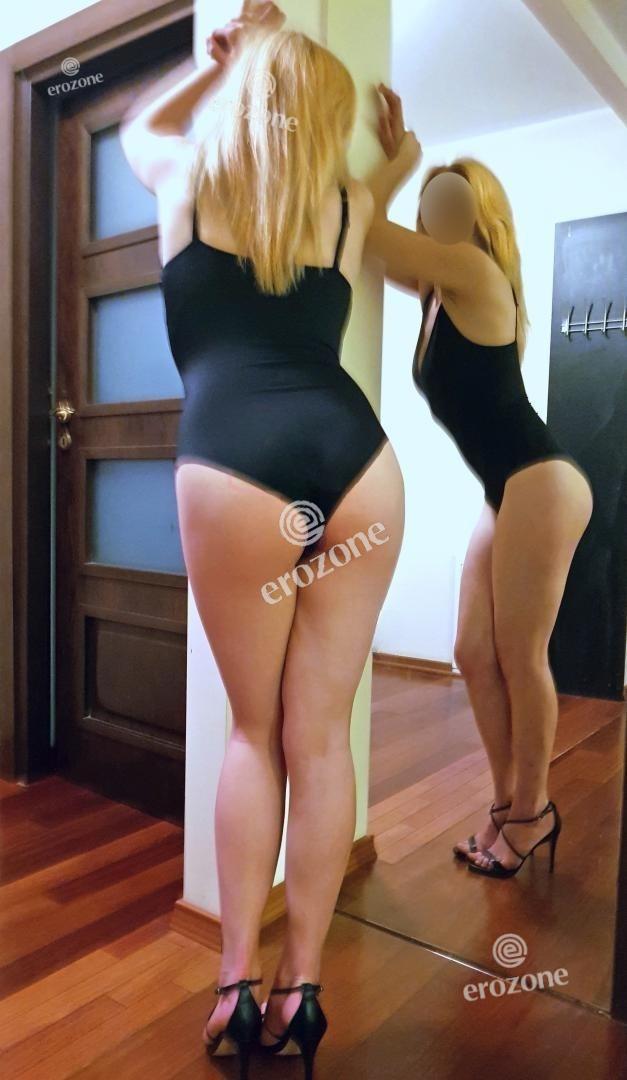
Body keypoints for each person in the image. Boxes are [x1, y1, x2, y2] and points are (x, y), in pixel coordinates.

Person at [120, 4, 404, 1075]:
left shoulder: (183, 178)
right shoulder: (349, 203)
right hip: (359, 468)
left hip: (236, 465)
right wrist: (398, 146)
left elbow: (142, 122)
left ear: (243, 96)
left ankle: (237, 986)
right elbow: (384, 170)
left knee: (255, 733)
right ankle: (304, 989)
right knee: (320, 735)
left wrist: (216, 62)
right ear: (324, 116)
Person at [365, 85, 594, 880]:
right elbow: (362, 245)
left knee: (520, 655)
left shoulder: (469, 269)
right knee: (471, 650)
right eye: (429, 203)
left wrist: (396, 160)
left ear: (479, 214)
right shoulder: (436, 289)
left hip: (539, 477)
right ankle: (506, 803)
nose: (438, 214)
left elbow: (360, 225)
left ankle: (530, 813)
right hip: (507, 485)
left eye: (452, 201)